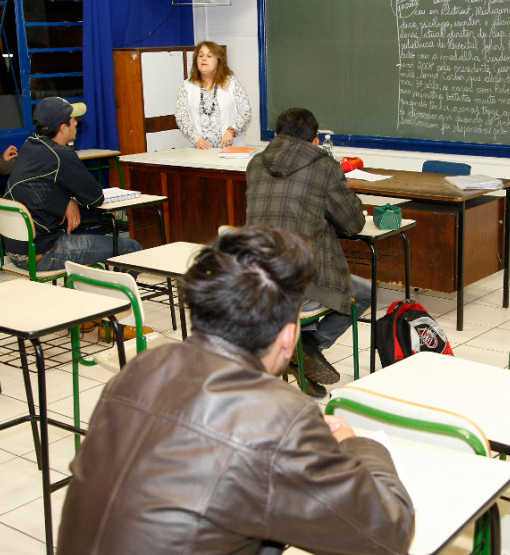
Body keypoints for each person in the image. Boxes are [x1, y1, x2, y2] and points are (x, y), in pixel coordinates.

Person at [57, 225, 415, 554]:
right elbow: (388, 535)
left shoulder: (142, 367)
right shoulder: (277, 417)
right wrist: (356, 444)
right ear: (289, 337)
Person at [246, 107, 372, 397]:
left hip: (256, 280)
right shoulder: (324, 166)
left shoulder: (255, 164)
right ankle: (309, 344)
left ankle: (297, 349)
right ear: (315, 141)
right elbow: (353, 224)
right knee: (366, 293)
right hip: (300, 281)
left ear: (275, 135)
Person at [2, 96, 141, 271]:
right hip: (43, 252)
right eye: (72, 119)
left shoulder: (30, 144)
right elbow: (95, 198)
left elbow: (44, 186)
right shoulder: (61, 155)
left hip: (17, 249)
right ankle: (120, 290)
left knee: (85, 235)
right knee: (131, 247)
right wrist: (71, 199)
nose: (76, 122)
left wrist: (68, 200)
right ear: (62, 128)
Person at [175, 40, 251, 150]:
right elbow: (181, 117)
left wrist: (231, 130)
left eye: (209, 56)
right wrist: (197, 139)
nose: (203, 59)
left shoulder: (232, 83)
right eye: (200, 55)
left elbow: (246, 112)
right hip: (198, 150)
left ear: (218, 61)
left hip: (229, 149)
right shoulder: (187, 86)